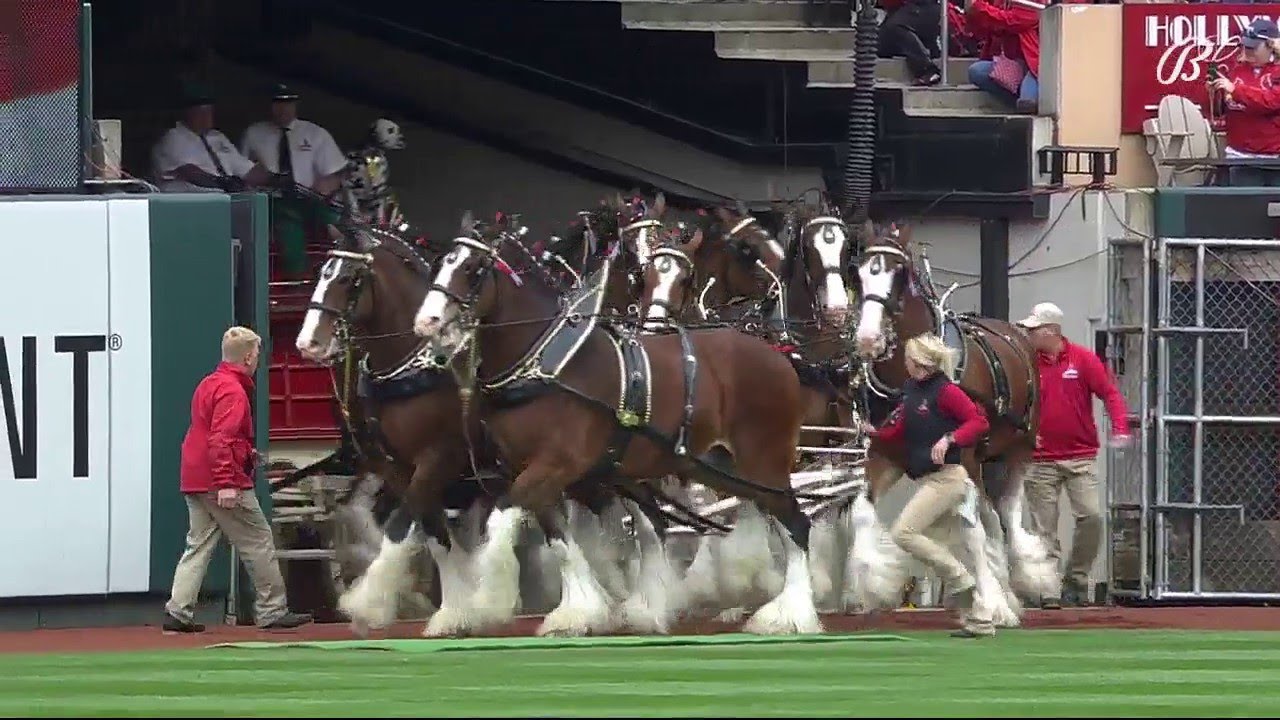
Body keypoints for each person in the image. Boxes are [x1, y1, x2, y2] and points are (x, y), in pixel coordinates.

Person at [163, 326, 312, 633]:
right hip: (220, 479)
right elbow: (221, 439)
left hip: (195, 475)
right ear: (247, 357)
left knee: (198, 545)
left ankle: (178, 610)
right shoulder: (234, 391)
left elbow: (210, 433)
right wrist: (227, 482)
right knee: (258, 540)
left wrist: (246, 452)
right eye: (257, 353)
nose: (258, 359)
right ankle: (272, 610)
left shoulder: (209, 383)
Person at [864, 333, 995, 638]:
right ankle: (980, 619)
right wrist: (874, 433)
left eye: (908, 358)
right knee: (957, 545)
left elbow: (979, 423)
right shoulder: (912, 390)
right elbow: (900, 430)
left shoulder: (946, 391)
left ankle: (961, 580)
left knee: (903, 532)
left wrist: (950, 438)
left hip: (947, 478)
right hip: (929, 478)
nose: (905, 363)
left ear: (918, 361)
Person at [1016, 302, 1130, 609]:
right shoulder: (1026, 364)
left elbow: (1109, 393)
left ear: (1050, 331)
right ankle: (1050, 589)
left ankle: (1076, 579)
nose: (1027, 334)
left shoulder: (1082, 359)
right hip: (1039, 459)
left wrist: (1120, 427)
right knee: (1045, 528)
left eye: (1033, 329)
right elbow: (1014, 405)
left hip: (1080, 455)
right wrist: (1025, 434)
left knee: (1092, 517)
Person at [239, 83, 348, 277]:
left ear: (295, 105)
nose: (282, 109)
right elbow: (240, 172)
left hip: (309, 196)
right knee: (289, 229)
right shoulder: (254, 134)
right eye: (277, 103)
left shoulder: (315, 133)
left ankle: (348, 270)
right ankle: (297, 285)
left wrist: (324, 188)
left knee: (337, 221)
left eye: (288, 103)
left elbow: (336, 173)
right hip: (273, 199)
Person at [150, 83, 271, 193]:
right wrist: (224, 183)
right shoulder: (173, 138)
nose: (205, 117)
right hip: (190, 204)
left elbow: (246, 169)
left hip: (224, 200)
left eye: (209, 111)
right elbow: (190, 173)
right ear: (187, 113)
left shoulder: (217, 137)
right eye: (199, 112)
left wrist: (274, 179)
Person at [1208, 18, 1280, 187]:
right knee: (1245, 209)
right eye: (1245, 46)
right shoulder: (1238, 69)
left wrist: (1236, 90)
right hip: (1240, 156)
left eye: (1253, 48)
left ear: (1271, 46)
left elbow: (1272, 101)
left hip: (1274, 159)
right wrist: (1216, 93)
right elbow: (1222, 111)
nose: (1247, 51)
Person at [965, 0, 1043, 113]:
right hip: (1012, 63)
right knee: (976, 71)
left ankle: (1023, 99)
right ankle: (1017, 101)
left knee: (1027, 102)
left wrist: (981, 8)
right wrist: (975, 11)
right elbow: (981, 29)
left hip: (1035, 64)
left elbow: (1017, 21)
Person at [878, 0, 944, 86]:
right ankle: (925, 47)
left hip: (925, 8)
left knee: (894, 26)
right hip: (904, 10)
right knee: (879, 43)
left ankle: (927, 68)